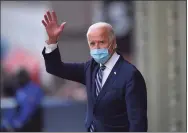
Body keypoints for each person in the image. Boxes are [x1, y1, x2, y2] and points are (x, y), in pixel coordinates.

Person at [42, 11, 147, 132]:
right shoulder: (90, 69)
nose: (97, 48)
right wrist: (52, 41)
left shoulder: (130, 75)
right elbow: (55, 68)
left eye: (102, 42)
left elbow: (138, 122)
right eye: (92, 43)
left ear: (113, 43)